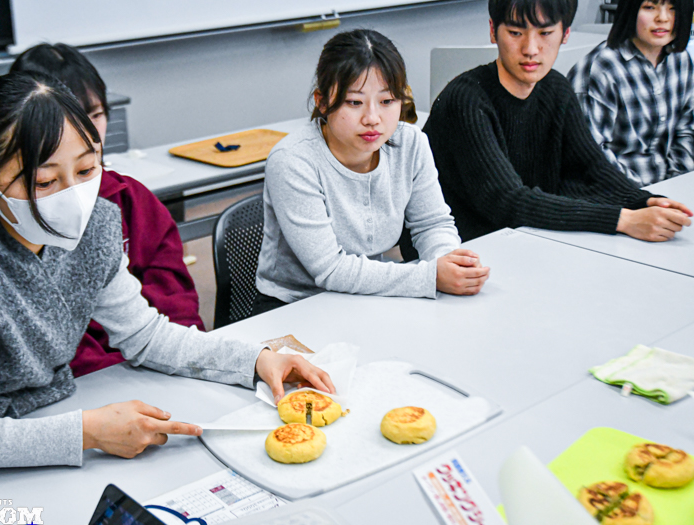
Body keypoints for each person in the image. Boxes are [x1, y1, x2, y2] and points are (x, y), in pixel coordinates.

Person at [0, 72, 333, 473]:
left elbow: (145, 335)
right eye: (45, 182)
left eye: (87, 170)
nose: (74, 197)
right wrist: (88, 432)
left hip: (44, 419)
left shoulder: (95, 225)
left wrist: (255, 360)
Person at [253, 29, 490, 316]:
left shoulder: (410, 143)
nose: (372, 119)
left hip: (370, 295)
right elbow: (331, 270)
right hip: (295, 307)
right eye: (354, 102)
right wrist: (430, 277)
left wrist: (449, 261)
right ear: (322, 101)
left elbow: (432, 224)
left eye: (387, 101)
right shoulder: (293, 160)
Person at [10, 43, 205, 377]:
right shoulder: (22, 221)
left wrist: (185, 349)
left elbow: (173, 294)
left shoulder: (128, 198)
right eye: (68, 119)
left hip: (148, 357)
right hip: (84, 379)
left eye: (95, 115)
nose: (87, 132)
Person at [425, 0, 692, 243]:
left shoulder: (555, 87)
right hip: (463, 250)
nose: (531, 49)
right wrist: (622, 220)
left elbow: (593, 169)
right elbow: (506, 201)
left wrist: (645, 202)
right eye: (515, 33)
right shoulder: (466, 99)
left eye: (545, 33)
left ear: (565, 34)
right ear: (493, 31)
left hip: (526, 239)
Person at [568, 0, 694, 186]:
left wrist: (675, 183)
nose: (663, 18)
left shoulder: (680, 60)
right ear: (630, 10)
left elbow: (687, 130)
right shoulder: (600, 69)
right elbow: (592, 155)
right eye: (650, 7)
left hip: (670, 188)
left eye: (673, 9)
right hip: (618, 192)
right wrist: (642, 195)